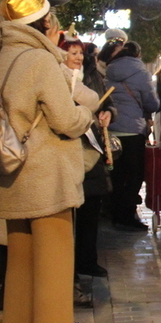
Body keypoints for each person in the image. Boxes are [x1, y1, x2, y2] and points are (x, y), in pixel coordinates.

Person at [0, 0, 95, 323]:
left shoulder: (4, 56)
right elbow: (66, 119)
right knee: (54, 259)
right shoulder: (39, 60)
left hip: (14, 171)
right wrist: (85, 113)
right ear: (44, 24)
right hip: (45, 173)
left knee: (20, 256)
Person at [60, 39, 115, 278]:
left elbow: (108, 103)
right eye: (72, 53)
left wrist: (108, 113)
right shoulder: (57, 78)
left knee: (91, 208)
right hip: (68, 149)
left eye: (80, 53)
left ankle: (87, 259)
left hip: (92, 150)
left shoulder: (92, 76)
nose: (78, 57)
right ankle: (68, 264)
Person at [104, 40, 159, 231]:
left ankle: (116, 213)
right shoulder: (141, 72)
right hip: (133, 131)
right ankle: (127, 214)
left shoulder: (109, 71)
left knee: (117, 175)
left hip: (111, 129)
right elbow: (151, 103)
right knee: (135, 175)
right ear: (137, 54)